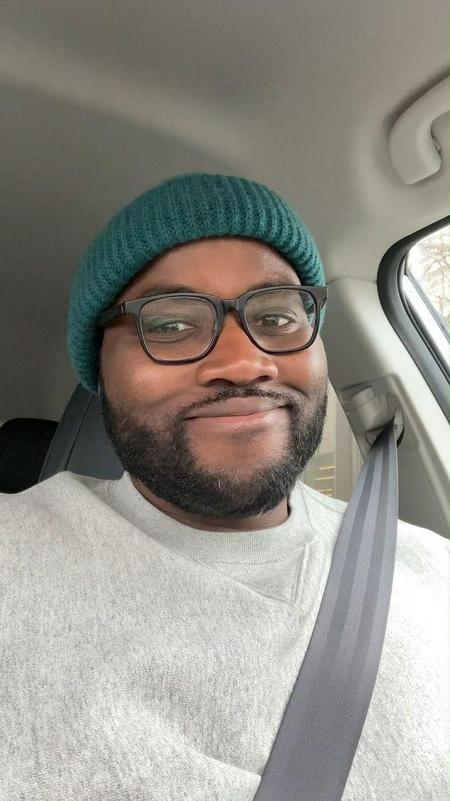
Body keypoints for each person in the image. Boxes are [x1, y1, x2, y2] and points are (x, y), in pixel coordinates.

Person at [1, 173, 447, 800]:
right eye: (170, 324)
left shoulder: (433, 571)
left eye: (277, 315)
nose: (242, 362)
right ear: (100, 367)